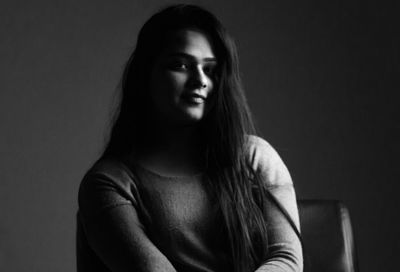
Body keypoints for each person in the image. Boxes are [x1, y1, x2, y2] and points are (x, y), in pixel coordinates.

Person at [77, 4, 303, 272]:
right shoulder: (109, 183)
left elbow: (286, 261)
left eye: (210, 69)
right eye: (181, 65)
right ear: (146, 74)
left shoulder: (255, 158)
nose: (200, 81)